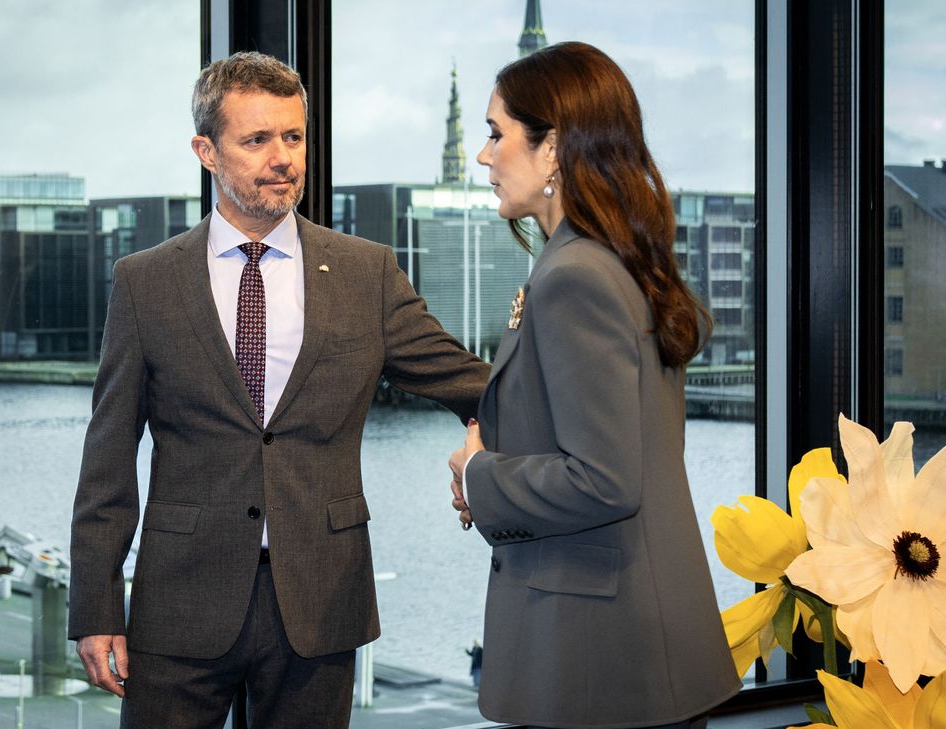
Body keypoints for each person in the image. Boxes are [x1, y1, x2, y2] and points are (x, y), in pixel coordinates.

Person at [69, 51, 489, 729]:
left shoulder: (366, 273)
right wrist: (95, 607)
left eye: (293, 137)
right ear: (206, 151)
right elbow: (108, 456)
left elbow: (472, 383)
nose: (282, 157)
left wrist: (556, 395)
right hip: (179, 603)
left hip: (321, 605)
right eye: (257, 139)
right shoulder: (145, 282)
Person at [448, 42, 742, 729]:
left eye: (497, 134)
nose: (484, 156)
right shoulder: (614, 258)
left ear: (553, 149)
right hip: (630, 649)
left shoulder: (575, 275)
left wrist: (480, 474)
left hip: (599, 661)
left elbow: (605, 478)